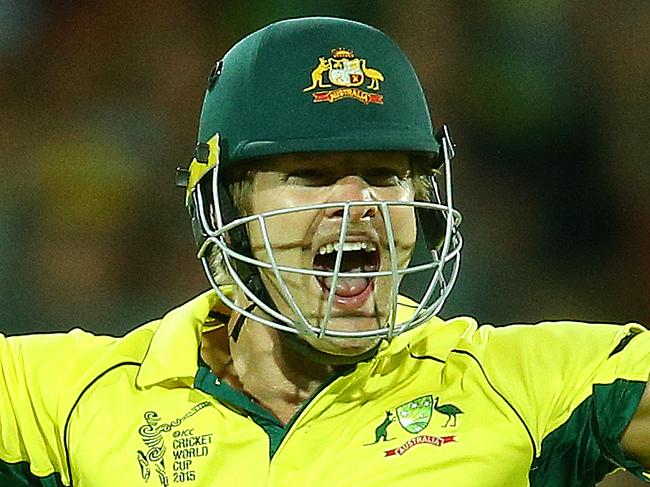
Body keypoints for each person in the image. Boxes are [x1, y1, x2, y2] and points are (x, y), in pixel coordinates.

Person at [0, 16, 648, 487]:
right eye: (310, 176)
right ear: (228, 210)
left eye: (386, 174)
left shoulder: (515, 385)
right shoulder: (65, 396)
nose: (358, 201)